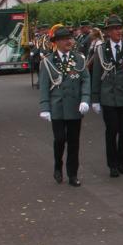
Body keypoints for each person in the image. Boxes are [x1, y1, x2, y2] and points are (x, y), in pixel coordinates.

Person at [38, 25, 90, 187]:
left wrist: (85, 99)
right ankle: (57, 166)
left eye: (70, 38)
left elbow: (85, 80)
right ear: (57, 42)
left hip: (74, 106)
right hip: (57, 108)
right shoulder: (48, 61)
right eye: (65, 39)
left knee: (74, 142)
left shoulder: (79, 58)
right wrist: (44, 107)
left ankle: (72, 174)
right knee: (60, 139)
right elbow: (44, 86)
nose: (69, 42)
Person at [90, 15, 123, 177]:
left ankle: (122, 163)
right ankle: (112, 165)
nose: (118, 31)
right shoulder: (101, 50)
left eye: (119, 28)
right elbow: (96, 75)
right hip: (108, 97)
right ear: (108, 32)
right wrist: (95, 99)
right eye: (114, 29)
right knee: (111, 131)